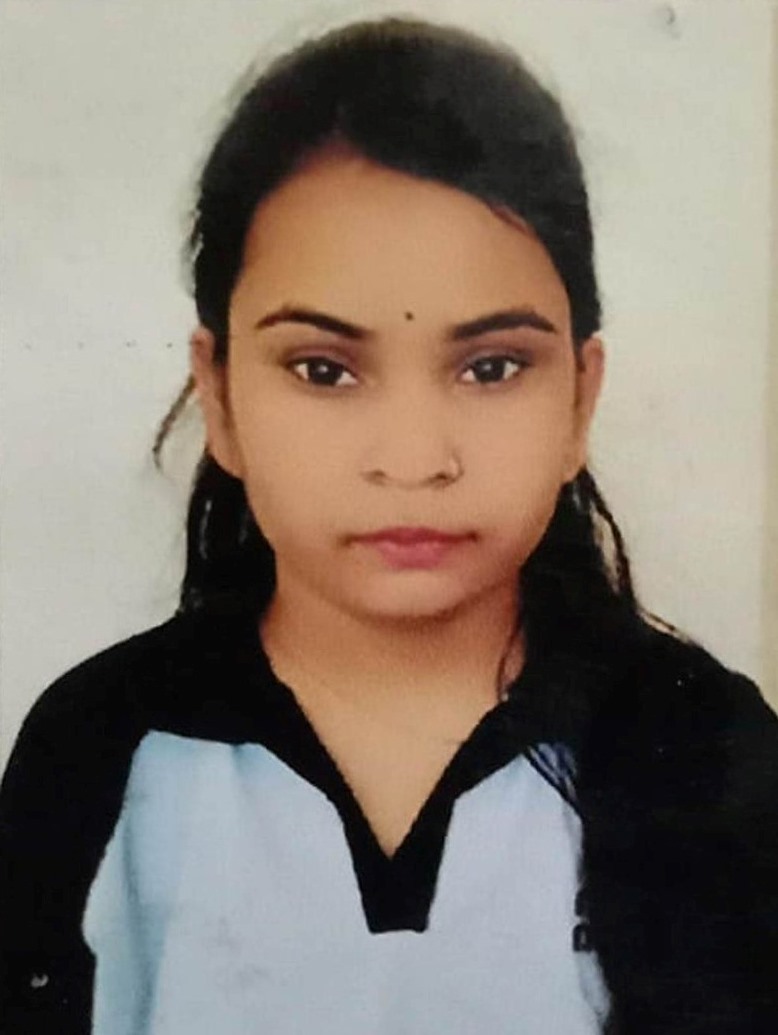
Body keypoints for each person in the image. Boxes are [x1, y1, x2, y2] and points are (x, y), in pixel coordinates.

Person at [1, 14, 777, 1035]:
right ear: (221, 396)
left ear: (579, 401)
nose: (414, 459)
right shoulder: (101, 747)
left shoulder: (703, 746)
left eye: (490, 367)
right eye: (324, 370)